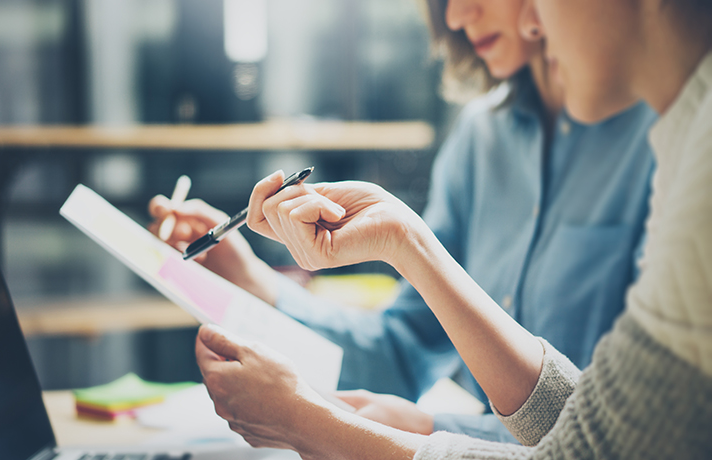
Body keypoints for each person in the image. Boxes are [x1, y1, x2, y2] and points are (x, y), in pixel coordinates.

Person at [195, 0, 712, 457]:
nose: (457, 17)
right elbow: (599, 429)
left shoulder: (683, 144)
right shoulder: (482, 136)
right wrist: (401, 242)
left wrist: (313, 425)